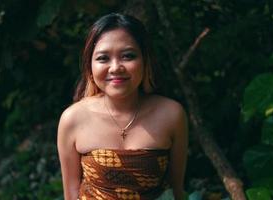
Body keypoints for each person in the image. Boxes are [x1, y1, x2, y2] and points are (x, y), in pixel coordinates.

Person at [57, 13, 188, 200]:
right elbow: (70, 194)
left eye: (128, 56)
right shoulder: (73, 119)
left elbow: (176, 191)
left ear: (145, 60)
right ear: (90, 66)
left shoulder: (172, 115)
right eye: (103, 58)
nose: (115, 67)